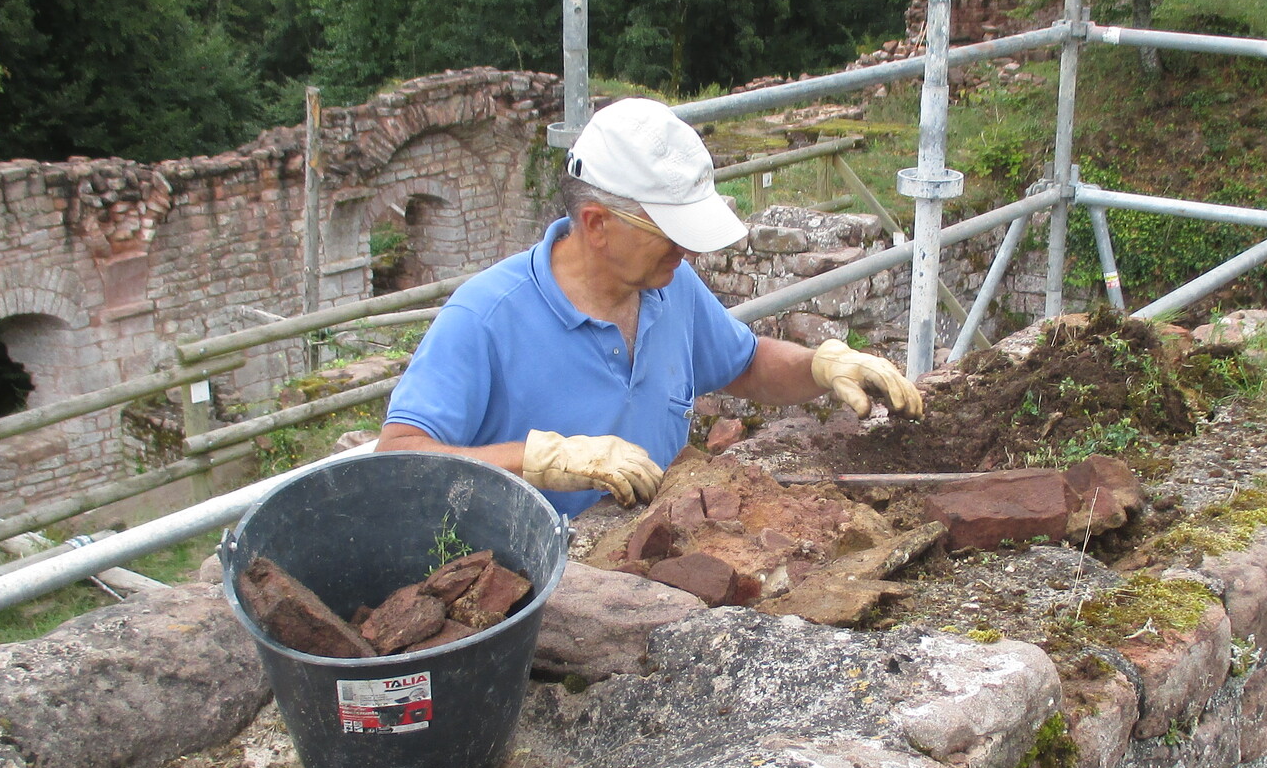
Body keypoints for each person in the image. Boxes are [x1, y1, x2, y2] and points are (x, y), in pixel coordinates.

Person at [376, 97, 921, 515]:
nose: (688, 251)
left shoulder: (668, 286)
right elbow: (396, 464)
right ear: (596, 224)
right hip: (530, 586)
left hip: (649, 564)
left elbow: (747, 365)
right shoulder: (485, 318)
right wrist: (540, 459)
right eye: (670, 231)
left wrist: (821, 365)